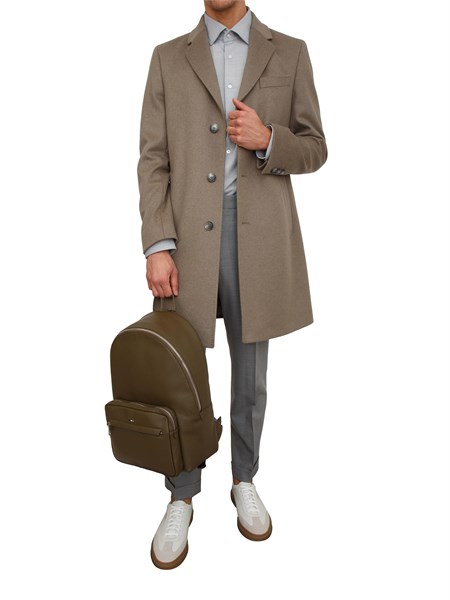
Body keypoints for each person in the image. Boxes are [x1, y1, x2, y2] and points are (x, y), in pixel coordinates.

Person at [137, 0, 327, 569]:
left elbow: (315, 147)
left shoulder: (290, 52)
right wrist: (158, 242)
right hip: (186, 242)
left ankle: (244, 477)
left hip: (258, 240)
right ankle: (181, 493)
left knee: (251, 377)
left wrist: (268, 138)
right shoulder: (167, 58)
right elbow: (153, 160)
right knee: (177, 375)